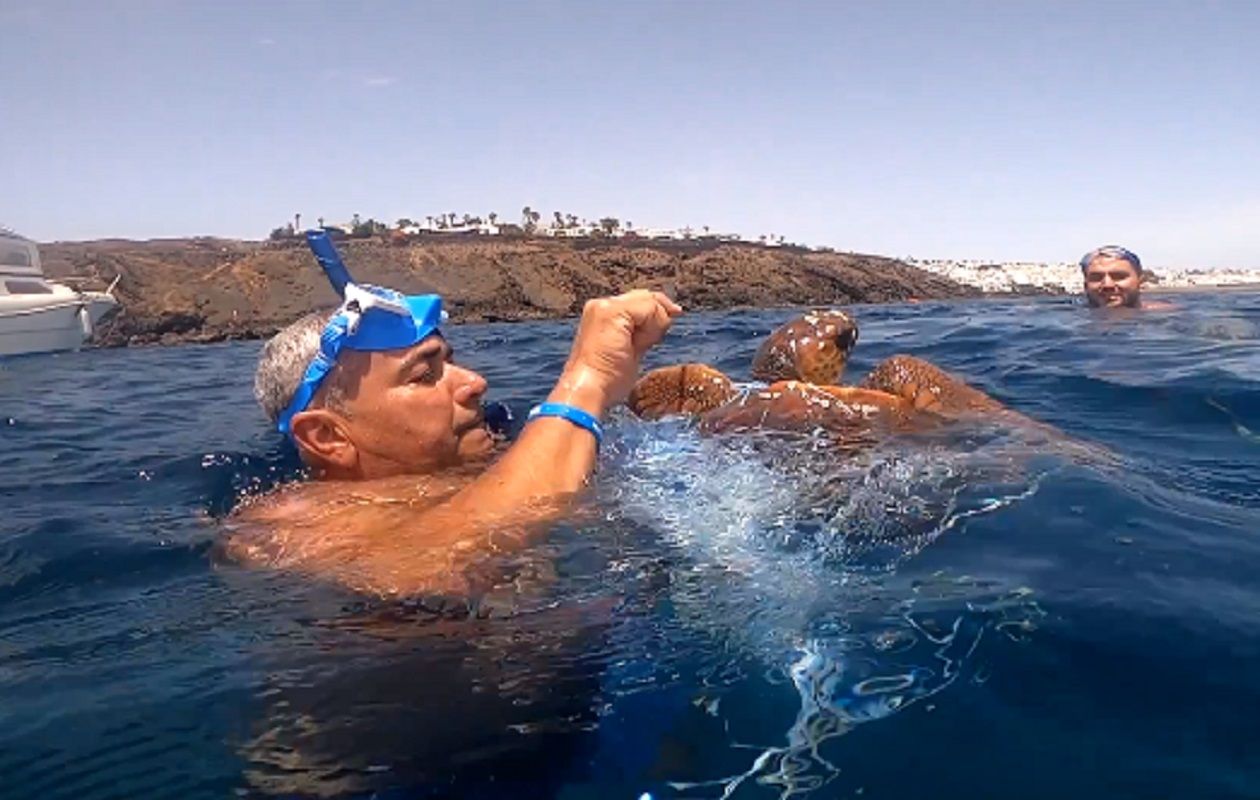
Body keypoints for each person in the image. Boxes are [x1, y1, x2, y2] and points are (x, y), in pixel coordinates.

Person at [225, 282, 682, 597]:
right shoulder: (280, 529)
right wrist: (590, 379)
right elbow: (417, 563)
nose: (474, 382)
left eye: (451, 361)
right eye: (425, 375)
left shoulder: (486, 459)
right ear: (327, 437)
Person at [1079, 244, 1172, 309]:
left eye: (1119, 276)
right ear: (1085, 285)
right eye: (1096, 278)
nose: (1107, 285)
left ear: (1141, 282)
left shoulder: (1165, 315)